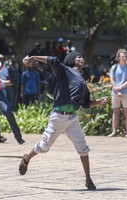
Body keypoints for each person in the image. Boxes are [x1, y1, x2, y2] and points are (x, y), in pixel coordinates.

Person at [19, 51, 109, 190]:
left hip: (72, 118)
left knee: (83, 148)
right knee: (44, 146)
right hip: (58, 117)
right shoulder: (64, 71)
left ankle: (88, 180)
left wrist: (99, 102)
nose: (81, 58)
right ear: (72, 60)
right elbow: (53, 60)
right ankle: (27, 158)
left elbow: (85, 104)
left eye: (82, 57)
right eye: (78, 57)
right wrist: (33, 58)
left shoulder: (81, 80)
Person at [108, 49, 127, 138]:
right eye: (122, 56)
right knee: (115, 111)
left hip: (126, 92)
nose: (124, 58)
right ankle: (114, 131)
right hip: (115, 92)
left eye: (125, 56)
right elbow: (112, 79)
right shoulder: (114, 67)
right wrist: (116, 88)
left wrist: (121, 88)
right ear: (118, 57)